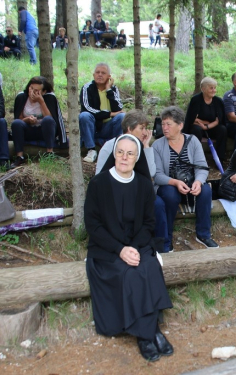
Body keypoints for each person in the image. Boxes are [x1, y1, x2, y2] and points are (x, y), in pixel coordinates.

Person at [84, 134, 174, 362]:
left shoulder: (144, 184)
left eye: (130, 153)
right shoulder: (98, 184)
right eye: (120, 152)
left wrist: (132, 247)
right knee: (130, 273)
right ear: (114, 154)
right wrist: (120, 250)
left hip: (137, 243)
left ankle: (147, 331)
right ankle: (149, 333)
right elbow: (93, 226)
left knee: (150, 267)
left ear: (137, 158)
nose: (124, 157)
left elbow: (148, 223)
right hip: (107, 248)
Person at [95, 110, 170, 253]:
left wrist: (147, 146)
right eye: (141, 128)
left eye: (145, 128)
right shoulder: (110, 146)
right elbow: (99, 176)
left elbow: (151, 173)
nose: (145, 132)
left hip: (138, 191)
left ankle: (163, 245)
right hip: (115, 192)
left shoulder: (142, 147)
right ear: (129, 129)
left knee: (158, 204)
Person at [152, 106, 219, 250]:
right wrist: (175, 182)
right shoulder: (157, 145)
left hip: (190, 185)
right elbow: (157, 175)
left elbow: (202, 166)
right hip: (169, 186)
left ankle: (203, 235)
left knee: (206, 190)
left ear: (180, 125)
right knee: (170, 194)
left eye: (168, 124)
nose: (165, 127)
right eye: (163, 124)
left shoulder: (193, 141)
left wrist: (198, 182)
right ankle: (166, 238)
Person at [10, 76, 67, 168]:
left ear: (43, 92)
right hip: (28, 131)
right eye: (31, 88)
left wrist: (41, 102)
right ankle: (19, 156)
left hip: (45, 132)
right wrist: (27, 120)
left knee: (47, 120)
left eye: (36, 90)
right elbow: (18, 118)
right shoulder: (21, 97)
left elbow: (52, 120)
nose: (32, 92)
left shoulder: (50, 97)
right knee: (16, 123)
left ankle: (49, 153)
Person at [79, 63, 125, 163]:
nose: (100, 75)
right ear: (93, 75)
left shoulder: (113, 89)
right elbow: (87, 109)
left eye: (103, 73)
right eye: (97, 72)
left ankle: (116, 148)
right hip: (92, 127)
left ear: (109, 76)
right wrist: (109, 114)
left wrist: (109, 89)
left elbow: (119, 108)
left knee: (122, 116)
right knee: (84, 116)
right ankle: (91, 150)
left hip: (107, 127)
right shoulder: (87, 88)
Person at [184, 76, 227, 162]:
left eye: (215, 88)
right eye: (211, 88)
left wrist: (206, 126)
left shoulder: (218, 101)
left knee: (222, 129)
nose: (214, 90)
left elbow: (219, 120)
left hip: (211, 127)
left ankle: (220, 158)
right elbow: (191, 119)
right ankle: (197, 158)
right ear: (203, 89)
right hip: (198, 127)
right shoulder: (196, 100)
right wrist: (203, 123)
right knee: (196, 130)